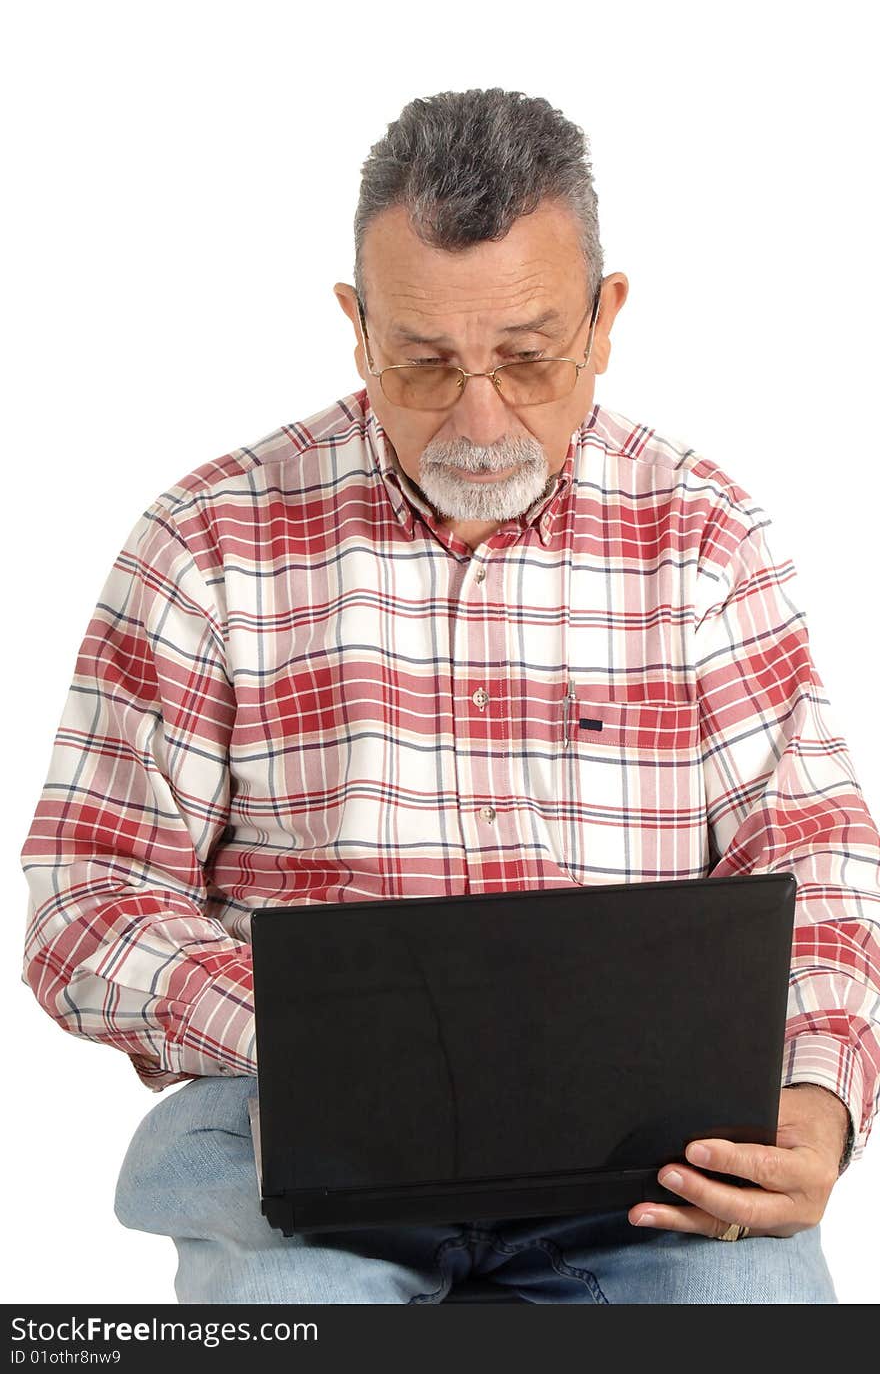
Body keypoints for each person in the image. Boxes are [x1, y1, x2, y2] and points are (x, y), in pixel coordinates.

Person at [20, 87, 880, 1305]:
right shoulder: (205, 543)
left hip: (645, 1171)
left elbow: (821, 854)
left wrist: (819, 1089)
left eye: (528, 359)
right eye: (424, 363)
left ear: (607, 314)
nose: (480, 420)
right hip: (300, 1158)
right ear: (355, 325)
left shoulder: (701, 535)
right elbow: (86, 898)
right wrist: (318, 1041)